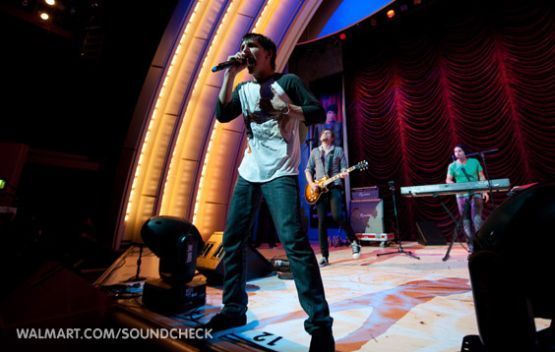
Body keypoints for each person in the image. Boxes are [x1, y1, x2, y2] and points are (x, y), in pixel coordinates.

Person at [206, 33, 335, 351]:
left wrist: (290, 110)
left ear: (267, 54)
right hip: (248, 173)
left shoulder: (288, 81)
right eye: (242, 47)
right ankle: (234, 310)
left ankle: (320, 326)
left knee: (295, 244)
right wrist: (228, 76)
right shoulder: (242, 88)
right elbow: (222, 115)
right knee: (233, 240)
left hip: (281, 172)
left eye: (251, 47)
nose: (244, 51)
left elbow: (316, 112)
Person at [305, 129, 361, 266]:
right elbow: (308, 170)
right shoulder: (315, 152)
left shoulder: (338, 150)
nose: (325, 133)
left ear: (332, 138)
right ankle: (324, 256)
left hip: (334, 186)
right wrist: (311, 184)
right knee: (322, 222)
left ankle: (354, 241)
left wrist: (344, 173)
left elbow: (343, 168)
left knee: (337, 216)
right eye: (323, 132)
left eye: (328, 133)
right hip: (319, 190)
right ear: (320, 137)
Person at [445, 144, 489, 252]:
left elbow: (481, 176)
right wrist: (453, 184)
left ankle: (481, 243)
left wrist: (485, 191)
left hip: (475, 192)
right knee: (466, 220)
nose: (457, 154)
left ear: (465, 152)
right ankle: (471, 245)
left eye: (459, 151)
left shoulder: (474, 162)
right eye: (455, 152)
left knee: (477, 219)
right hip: (461, 195)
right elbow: (448, 180)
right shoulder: (452, 166)